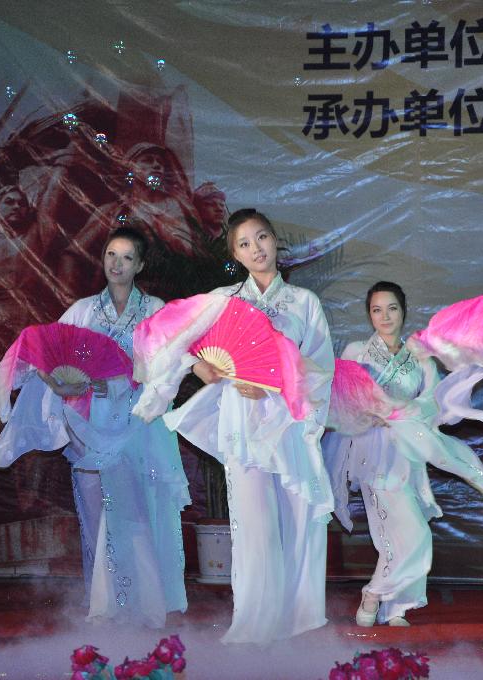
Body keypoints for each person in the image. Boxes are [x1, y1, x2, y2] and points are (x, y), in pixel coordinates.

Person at [146, 208, 334, 644]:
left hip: (288, 421)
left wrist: (275, 380)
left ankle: (298, 621)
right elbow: (174, 340)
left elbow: (321, 367)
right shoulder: (223, 300)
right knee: (253, 525)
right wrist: (199, 366)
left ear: (274, 240)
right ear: (235, 254)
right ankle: (254, 621)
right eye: (245, 244)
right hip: (243, 425)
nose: (256, 249)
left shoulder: (304, 302)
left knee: (297, 520)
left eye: (262, 237)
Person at [0, 226, 190, 627]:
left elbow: (169, 366)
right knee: (96, 516)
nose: (117, 264)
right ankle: (105, 605)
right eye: (111, 255)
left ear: (140, 265)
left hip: (138, 425)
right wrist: (60, 383)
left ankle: (147, 604)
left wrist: (117, 382)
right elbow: (47, 356)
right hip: (90, 426)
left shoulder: (155, 310)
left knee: (137, 514)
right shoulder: (82, 311)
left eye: (127, 257)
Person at [322, 281, 483, 628]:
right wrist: (367, 411)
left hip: (408, 450)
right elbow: (339, 396)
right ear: (369, 315)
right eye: (377, 310)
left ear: (403, 310)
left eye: (392, 308)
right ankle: (376, 593)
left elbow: (432, 402)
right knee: (404, 531)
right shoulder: (357, 351)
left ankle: (393, 606)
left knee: (404, 531)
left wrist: (405, 409)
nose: (385, 316)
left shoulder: (419, 357)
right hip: (372, 450)